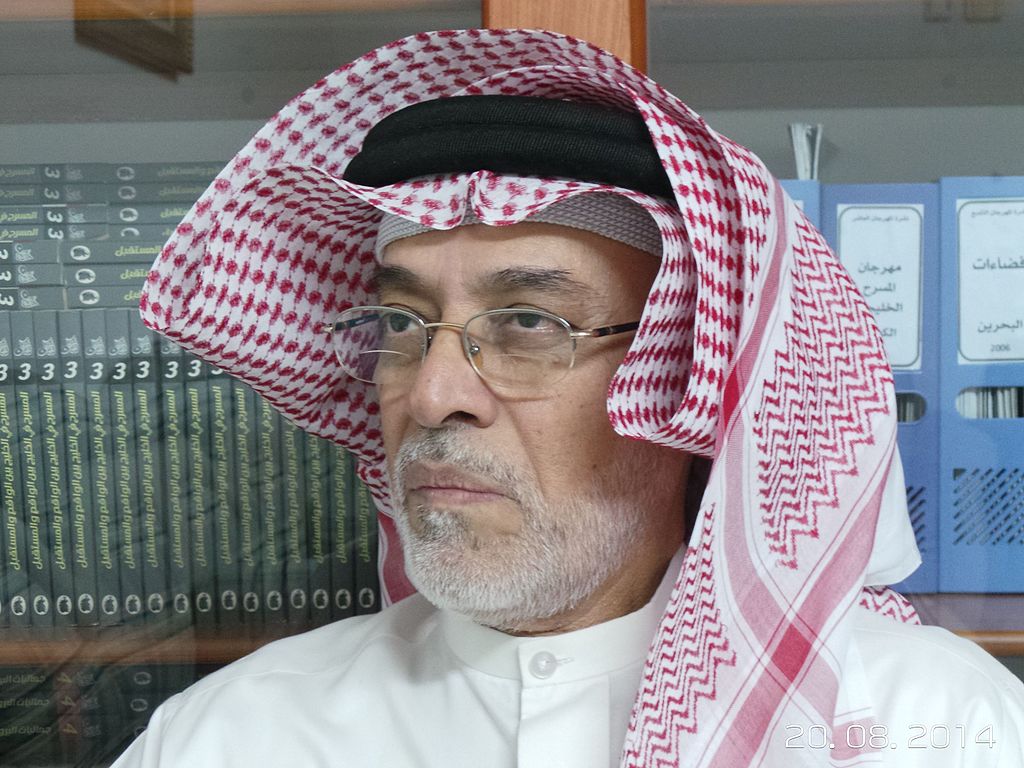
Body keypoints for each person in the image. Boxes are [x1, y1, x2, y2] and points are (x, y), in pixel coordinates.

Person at [114, 28, 1024, 768]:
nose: (432, 394)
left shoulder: (933, 725)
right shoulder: (229, 737)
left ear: (689, 377)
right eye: (401, 322)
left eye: (529, 324)